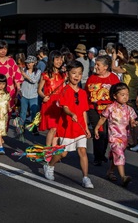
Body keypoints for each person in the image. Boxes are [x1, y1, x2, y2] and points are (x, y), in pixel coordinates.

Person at [43, 60, 94, 189]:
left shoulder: (82, 93)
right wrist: (71, 114)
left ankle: (85, 177)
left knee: (82, 151)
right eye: (74, 73)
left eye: (79, 73)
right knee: (63, 153)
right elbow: (65, 107)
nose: (76, 76)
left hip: (80, 126)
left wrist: (87, 128)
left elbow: (83, 111)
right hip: (67, 126)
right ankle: (49, 166)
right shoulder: (65, 90)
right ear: (68, 74)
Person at [94, 83, 138, 187]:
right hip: (114, 137)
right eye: (122, 94)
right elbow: (103, 118)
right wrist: (96, 128)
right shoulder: (110, 108)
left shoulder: (129, 109)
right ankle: (123, 177)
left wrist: (134, 123)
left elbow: (132, 120)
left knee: (117, 155)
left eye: (127, 94)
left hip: (124, 138)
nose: (125, 97)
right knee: (119, 155)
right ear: (115, 96)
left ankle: (110, 172)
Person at [85, 55, 120, 166]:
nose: (95, 67)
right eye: (95, 64)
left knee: (106, 134)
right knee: (98, 132)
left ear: (105, 67)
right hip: (94, 109)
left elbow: (119, 93)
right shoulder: (92, 78)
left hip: (109, 110)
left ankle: (102, 154)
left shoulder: (114, 78)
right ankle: (97, 157)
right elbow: (86, 93)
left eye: (98, 65)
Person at [0, 40, 23, 116]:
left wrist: (18, 89)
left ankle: (5, 128)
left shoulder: (11, 61)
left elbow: (17, 76)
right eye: (1, 49)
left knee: (7, 114)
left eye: (5, 49)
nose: (3, 51)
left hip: (9, 91)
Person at [38, 50, 66, 146]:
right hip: (50, 103)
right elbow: (39, 90)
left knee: (58, 128)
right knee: (53, 128)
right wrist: (44, 96)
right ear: (52, 60)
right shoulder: (45, 74)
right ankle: (48, 150)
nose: (59, 61)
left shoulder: (64, 75)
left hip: (60, 103)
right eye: (57, 59)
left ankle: (53, 149)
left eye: (61, 59)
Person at [19, 55, 41, 135]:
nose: (28, 64)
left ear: (34, 63)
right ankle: (21, 127)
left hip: (33, 95)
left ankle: (34, 128)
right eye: (27, 62)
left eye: (30, 62)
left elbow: (34, 80)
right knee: (23, 112)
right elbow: (19, 80)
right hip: (24, 94)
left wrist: (25, 75)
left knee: (34, 113)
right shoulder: (24, 70)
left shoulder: (38, 71)